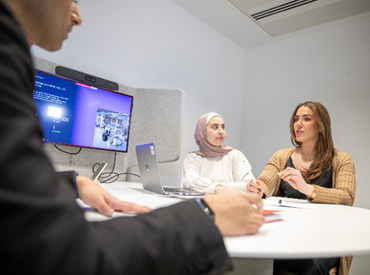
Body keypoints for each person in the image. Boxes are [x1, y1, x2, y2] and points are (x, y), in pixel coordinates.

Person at [0, 0, 265, 274]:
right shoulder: (7, 62)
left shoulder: (235, 155)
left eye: (223, 127)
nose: (77, 16)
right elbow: (58, 254)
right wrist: (206, 213)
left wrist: (72, 181)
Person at [248, 101, 356, 275]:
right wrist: (258, 188)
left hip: (325, 236)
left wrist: (307, 189)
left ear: (321, 126)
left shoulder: (342, 159)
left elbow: (346, 196)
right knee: (259, 261)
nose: (298, 124)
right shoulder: (282, 155)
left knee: (312, 269)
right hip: (286, 233)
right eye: (296, 119)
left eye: (306, 119)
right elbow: (265, 180)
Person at [182, 112, 259, 195]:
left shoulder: (235, 155)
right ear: (202, 131)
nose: (221, 131)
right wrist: (216, 188)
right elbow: (190, 181)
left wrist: (216, 188)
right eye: (215, 127)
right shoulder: (192, 158)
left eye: (223, 127)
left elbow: (248, 185)